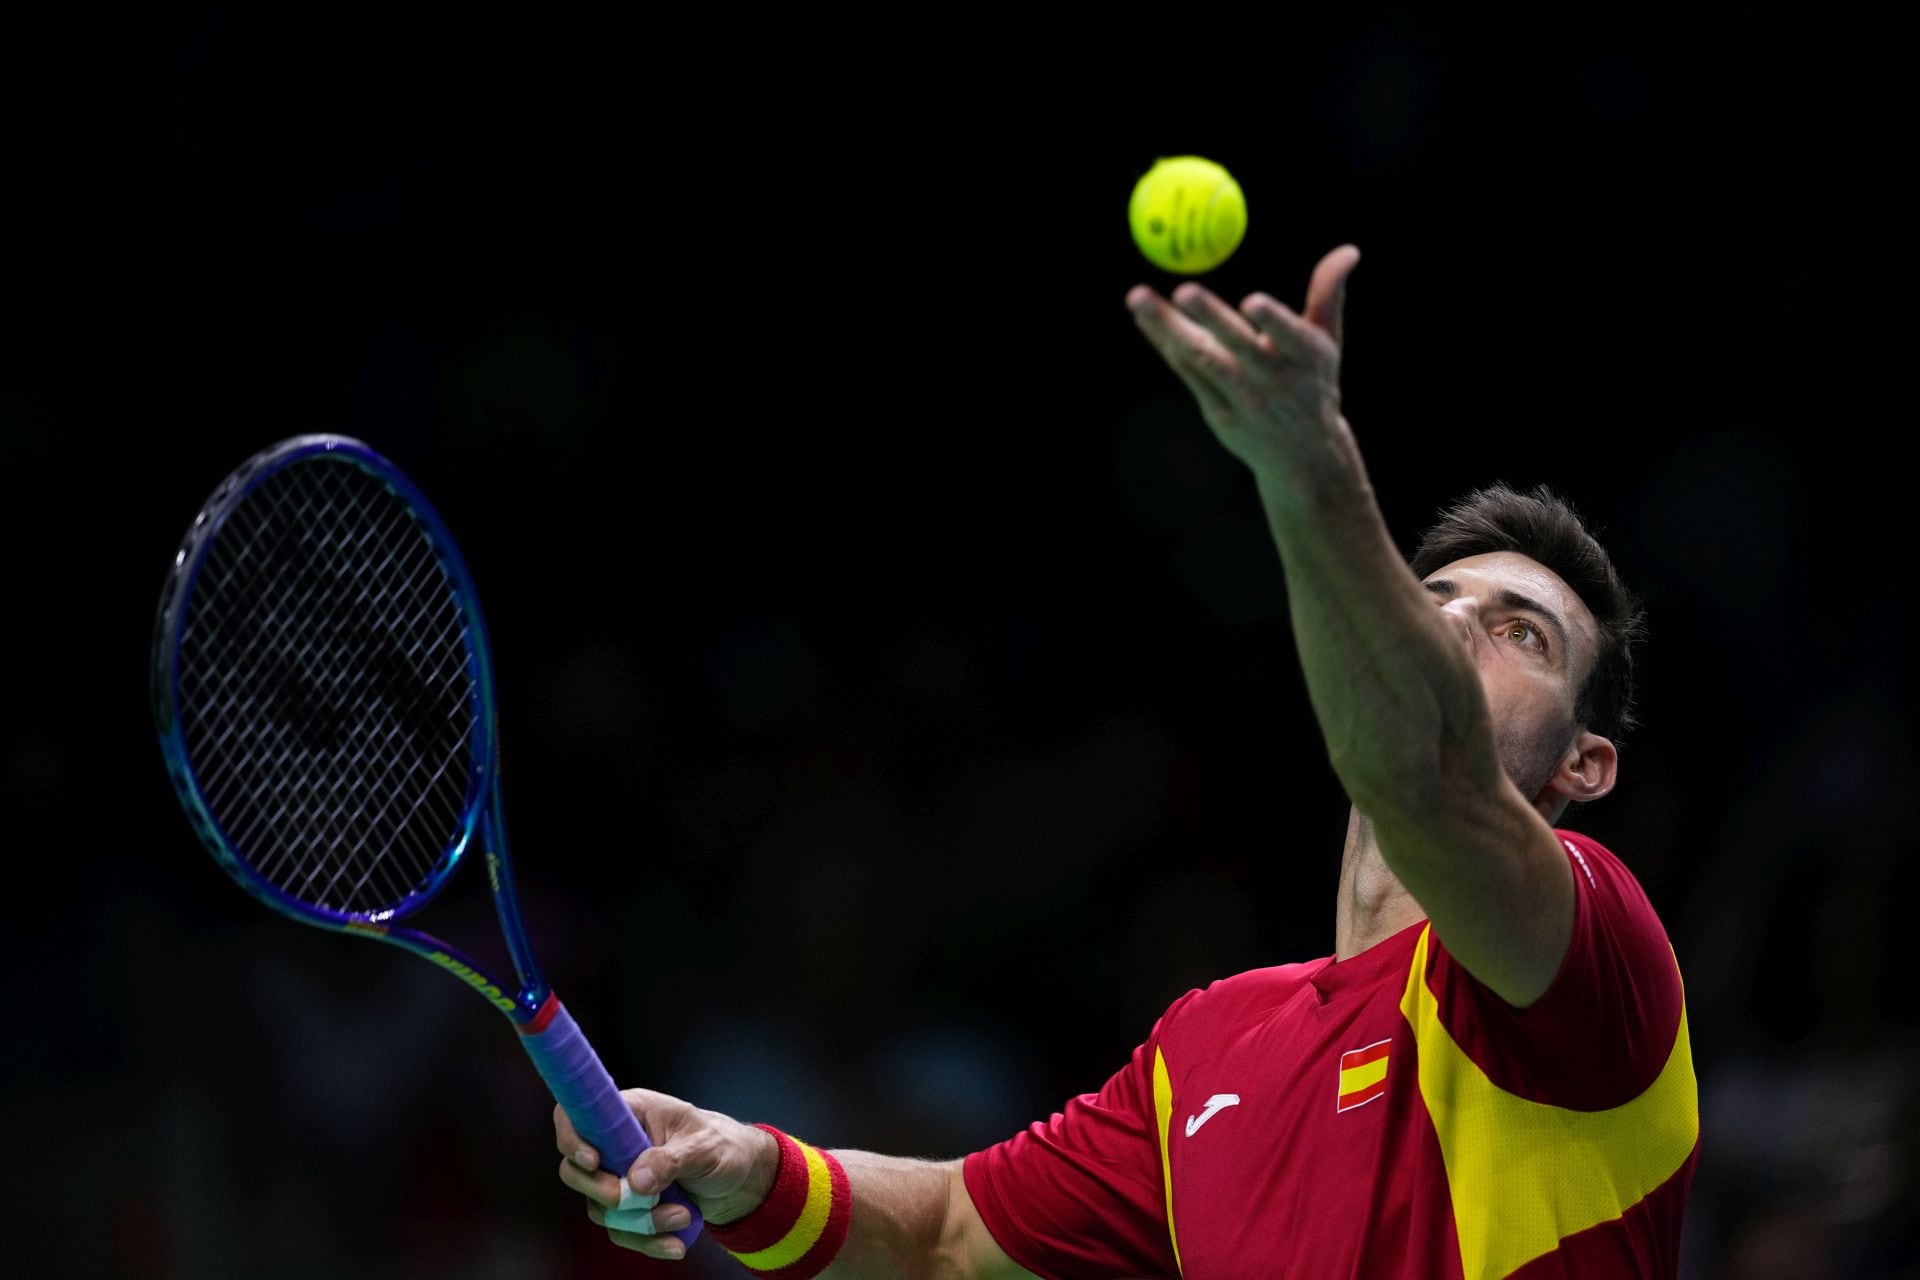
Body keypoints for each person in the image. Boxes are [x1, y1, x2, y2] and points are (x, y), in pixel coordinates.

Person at [553, 245, 1700, 1278]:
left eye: (1519, 633)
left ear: (1582, 767)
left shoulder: (1597, 968)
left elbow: (1428, 780)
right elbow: (951, 1229)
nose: (1452, 627)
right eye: (1431, 598)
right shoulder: (1210, 1046)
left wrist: (1311, 474)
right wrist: (749, 1159)